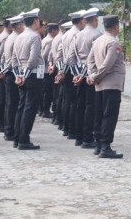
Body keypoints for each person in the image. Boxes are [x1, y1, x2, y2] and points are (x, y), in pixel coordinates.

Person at [87, 15, 125, 159]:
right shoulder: (113, 42)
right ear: (115, 26)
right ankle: (106, 146)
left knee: (99, 115)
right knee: (109, 115)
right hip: (111, 83)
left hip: (99, 84)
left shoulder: (98, 41)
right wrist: (96, 76)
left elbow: (90, 61)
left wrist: (92, 75)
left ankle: (98, 144)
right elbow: (107, 65)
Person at [12, 8, 44, 150]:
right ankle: (24, 140)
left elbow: (14, 59)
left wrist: (18, 75)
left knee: (21, 106)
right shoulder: (34, 37)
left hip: (22, 75)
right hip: (32, 75)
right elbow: (32, 60)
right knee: (29, 108)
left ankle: (17, 138)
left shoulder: (19, 36)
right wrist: (24, 76)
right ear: (35, 21)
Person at [73, 8, 102, 147]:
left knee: (80, 105)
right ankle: (87, 137)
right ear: (95, 20)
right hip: (91, 73)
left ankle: (78, 137)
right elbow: (97, 57)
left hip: (79, 71)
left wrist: (77, 73)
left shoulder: (78, 35)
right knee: (91, 107)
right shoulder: (97, 35)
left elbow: (72, 57)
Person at [60, 10, 86, 140]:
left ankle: (66, 127)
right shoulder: (78, 35)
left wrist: (61, 70)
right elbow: (72, 57)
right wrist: (77, 73)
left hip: (66, 69)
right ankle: (72, 130)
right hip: (74, 71)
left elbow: (60, 54)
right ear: (81, 21)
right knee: (74, 103)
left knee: (67, 101)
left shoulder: (66, 34)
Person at [0, 14, 23, 141]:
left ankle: (9, 130)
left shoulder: (10, 37)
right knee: (13, 103)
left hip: (9, 72)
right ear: (18, 26)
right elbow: (13, 60)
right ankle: (11, 131)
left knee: (10, 103)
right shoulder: (16, 38)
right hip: (13, 72)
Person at [40, 22, 59, 119]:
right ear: (54, 31)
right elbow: (44, 56)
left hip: (45, 69)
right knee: (47, 92)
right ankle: (45, 110)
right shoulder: (50, 41)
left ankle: (43, 109)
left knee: (45, 91)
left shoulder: (45, 39)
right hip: (47, 70)